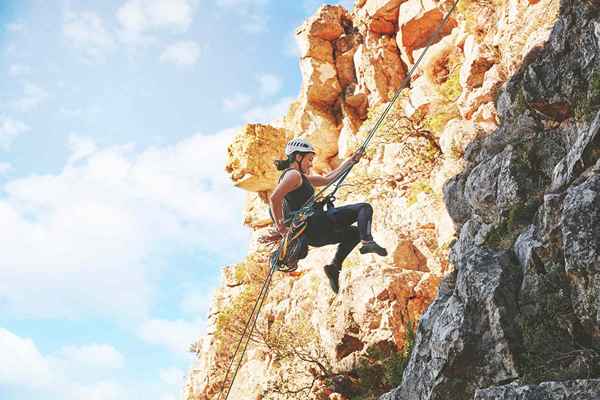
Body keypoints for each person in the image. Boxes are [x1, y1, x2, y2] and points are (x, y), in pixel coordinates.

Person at [269, 137, 387, 294]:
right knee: (364, 209)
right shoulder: (293, 175)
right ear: (298, 157)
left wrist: (351, 160)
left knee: (353, 233)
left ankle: (334, 267)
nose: (311, 164)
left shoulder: (300, 178)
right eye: (309, 159)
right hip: (317, 223)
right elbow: (274, 198)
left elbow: (327, 179)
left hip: (315, 236)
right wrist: (281, 228)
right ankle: (367, 242)